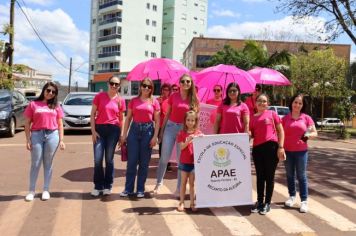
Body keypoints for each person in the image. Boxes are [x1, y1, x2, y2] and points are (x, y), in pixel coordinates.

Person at [154, 74, 200, 195]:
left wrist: (194, 134)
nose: (185, 83)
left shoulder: (194, 99)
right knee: (164, 158)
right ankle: (159, 183)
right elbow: (167, 114)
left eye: (188, 81)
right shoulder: (173, 96)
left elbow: (195, 119)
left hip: (184, 131)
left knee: (181, 161)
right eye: (183, 81)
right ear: (179, 83)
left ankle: (179, 188)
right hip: (170, 127)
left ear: (191, 84)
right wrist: (161, 132)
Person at [24, 82, 65, 201]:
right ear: (44, 90)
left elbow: (60, 123)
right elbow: (27, 123)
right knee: (35, 163)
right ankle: (31, 190)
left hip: (52, 135)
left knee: (48, 163)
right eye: (48, 90)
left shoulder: (56, 105)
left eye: (53, 92)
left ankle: (46, 190)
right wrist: (27, 139)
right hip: (37, 134)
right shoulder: (33, 104)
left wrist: (62, 140)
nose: (50, 93)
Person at [120, 78, 160, 198]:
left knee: (144, 163)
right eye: (144, 85)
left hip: (148, 132)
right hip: (134, 130)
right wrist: (124, 134)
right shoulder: (133, 101)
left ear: (151, 88)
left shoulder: (154, 102)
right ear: (140, 87)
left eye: (149, 86)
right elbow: (128, 119)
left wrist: (155, 137)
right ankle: (128, 189)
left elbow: (157, 121)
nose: (146, 88)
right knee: (132, 162)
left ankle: (140, 189)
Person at [249, 93, 285, 215]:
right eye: (259, 101)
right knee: (260, 177)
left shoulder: (272, 114)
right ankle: (259, 202)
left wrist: (280, 147)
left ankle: (267, 203)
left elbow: (281, 131)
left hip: (271, 147)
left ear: (268, 104)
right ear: (256, 103)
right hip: (257, 149)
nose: (261, 103)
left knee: (269, 176)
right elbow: (252, 134)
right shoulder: (253, 117)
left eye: (264, 101)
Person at [90, 76, 126, 197]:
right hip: (100, 130)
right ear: (108, 84)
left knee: (109, 160)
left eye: (116, 84)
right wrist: (93, 131)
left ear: (119, 86)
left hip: (113, 131)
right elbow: (92, 114)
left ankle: (107, 186)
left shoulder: (121, 100)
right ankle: (98, 186)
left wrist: (121, 135)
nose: (114, 86)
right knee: (98, 159)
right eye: (112, 83)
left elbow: (121, 119)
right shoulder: (99, 96)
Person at [282, 94, 317, 213]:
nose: (297, 105)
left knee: (301, 176)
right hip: (287, 151)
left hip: (301, 152)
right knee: (290, 175)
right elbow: (280, 134)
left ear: (302, 105)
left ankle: (304, 201)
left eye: (300, 103)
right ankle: (292, 197)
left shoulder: (306, 118)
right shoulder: (285, 118)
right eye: (295, 102)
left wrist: (307, 135)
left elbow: (314, 133)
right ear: (291, 103)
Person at [176, 111, 202, 212]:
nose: (190, 122)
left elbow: (204, 143)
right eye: (188, 120)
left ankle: (192, 203)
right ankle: (181, 202)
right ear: (185, 121)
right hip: (184, 162)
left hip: (194, 163)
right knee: (183, 183)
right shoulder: (181, 133)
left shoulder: (198, 133)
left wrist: (201, 138)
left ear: (195, 121)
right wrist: (188, 140)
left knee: (192, 184)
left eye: (192, 120)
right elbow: (181, 147)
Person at [157, 83, 172, 172]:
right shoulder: (158, 100)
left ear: (169, 91)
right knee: (161, 145)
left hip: (169, 126)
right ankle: (162, 163)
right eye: (163, 89)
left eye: (167, 90)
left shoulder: (170, 100)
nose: (165, 91)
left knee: (168, 145)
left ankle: (168, 164)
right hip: (160, 125)